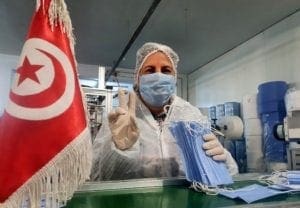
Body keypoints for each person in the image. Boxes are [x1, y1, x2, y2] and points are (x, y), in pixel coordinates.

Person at [90, 42, 238, 181]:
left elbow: (230, 173)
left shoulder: (190, 114)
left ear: (174, 78)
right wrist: (120, 151)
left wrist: (220, 160)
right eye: (150, 70)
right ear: (138, 78)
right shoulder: (120, 117)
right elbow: (98, 175)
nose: (158, 75)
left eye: (166, 70)